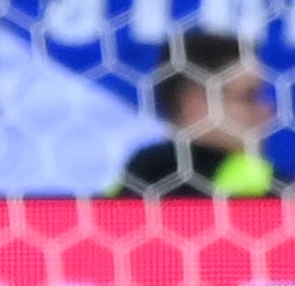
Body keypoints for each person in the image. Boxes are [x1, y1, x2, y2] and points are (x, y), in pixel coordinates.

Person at [111, 33, 275, 198]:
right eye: (250, 96)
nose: (266, 110)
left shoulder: (128, 187)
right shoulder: (263, 193)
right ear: (195, 105)